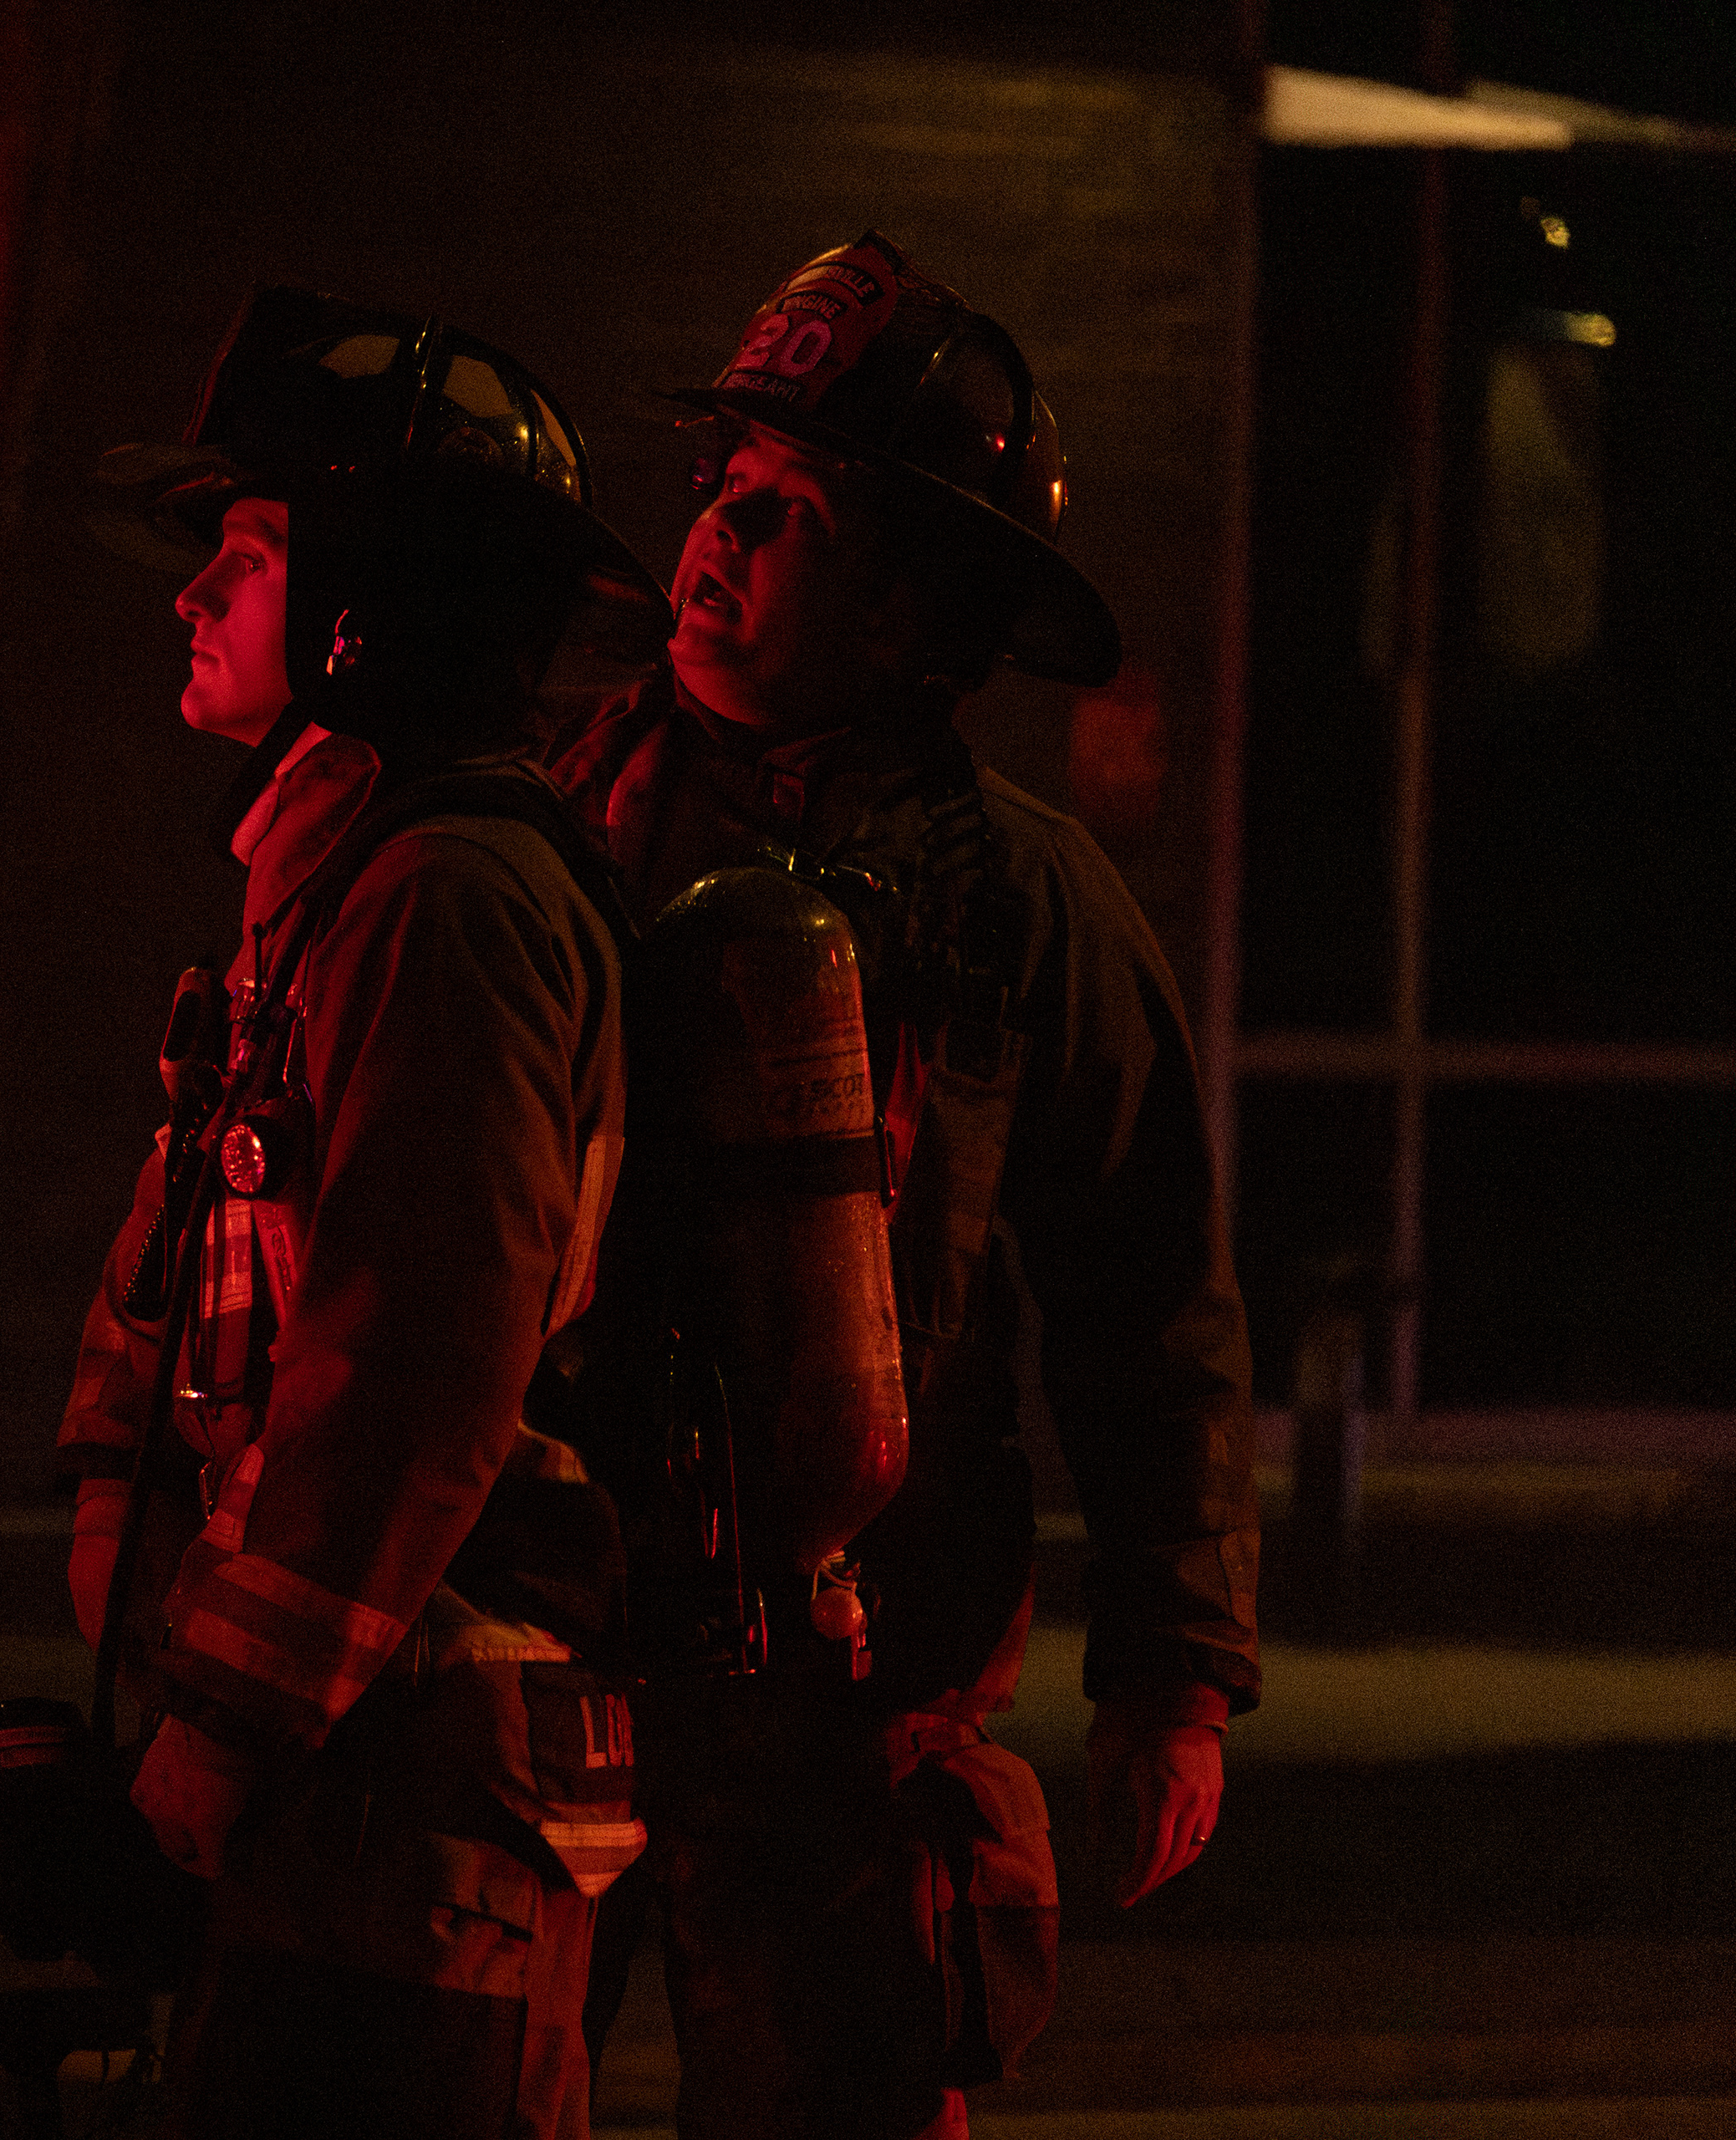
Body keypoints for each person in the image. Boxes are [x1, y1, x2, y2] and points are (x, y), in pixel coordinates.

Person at [548, 233, 1262, 2140]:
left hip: (848, 1698)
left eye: (786, 511)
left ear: (906, 604)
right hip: (540, 1642)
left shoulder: (1020, 906)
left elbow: (1151, 1303)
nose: (714, 529)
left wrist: (1174, 1678)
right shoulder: (543, 836)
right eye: (725, 481)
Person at [56, 286, 664, 2140]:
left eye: (244, 551)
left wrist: (206, 1747)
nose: (191, 595)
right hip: (344, 1787)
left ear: (363, 599)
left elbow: (409, 1364)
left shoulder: (448, 900)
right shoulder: (340, 885)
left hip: (423, 1816)